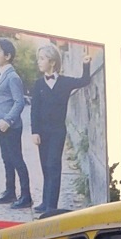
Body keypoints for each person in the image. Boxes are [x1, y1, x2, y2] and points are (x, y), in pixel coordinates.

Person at [30, 45, 92, 215]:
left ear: (52, 61)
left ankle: (52, 206)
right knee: (45, 166)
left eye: (42, 59)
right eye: (39, 59)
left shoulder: (64, 82)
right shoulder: (38, 84)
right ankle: (45, 202)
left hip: (57, 131)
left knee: (53, 165)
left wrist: (86, 64)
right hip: (42, 133)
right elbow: (34, 110)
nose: (39, 62)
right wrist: (34, 132)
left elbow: (84, 81)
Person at [0, 37, 32, 210]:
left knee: (16, 160)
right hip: (1, 125)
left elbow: (19, 102)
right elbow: (0, 100)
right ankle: (10, 192)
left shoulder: (12, 77)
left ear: (8, 55)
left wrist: (7, 120)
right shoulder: (0, 75)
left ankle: (26, 196)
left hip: (11, 126)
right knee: (7, 159)